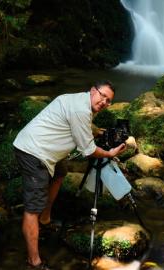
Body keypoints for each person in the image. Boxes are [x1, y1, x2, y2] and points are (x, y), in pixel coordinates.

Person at [13, 81, 126, 270]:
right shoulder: (80, 111)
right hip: (33, 152)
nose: (104, 102)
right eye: (102, 96)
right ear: (92, 91)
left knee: (61, 172)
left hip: (44, 147)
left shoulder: (79, 100)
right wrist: (110, 153)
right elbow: (89, 151)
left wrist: (97, 131)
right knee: (32, 207)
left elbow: (82, 122)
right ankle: (34, 262)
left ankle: (45, 219)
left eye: (108, 101)